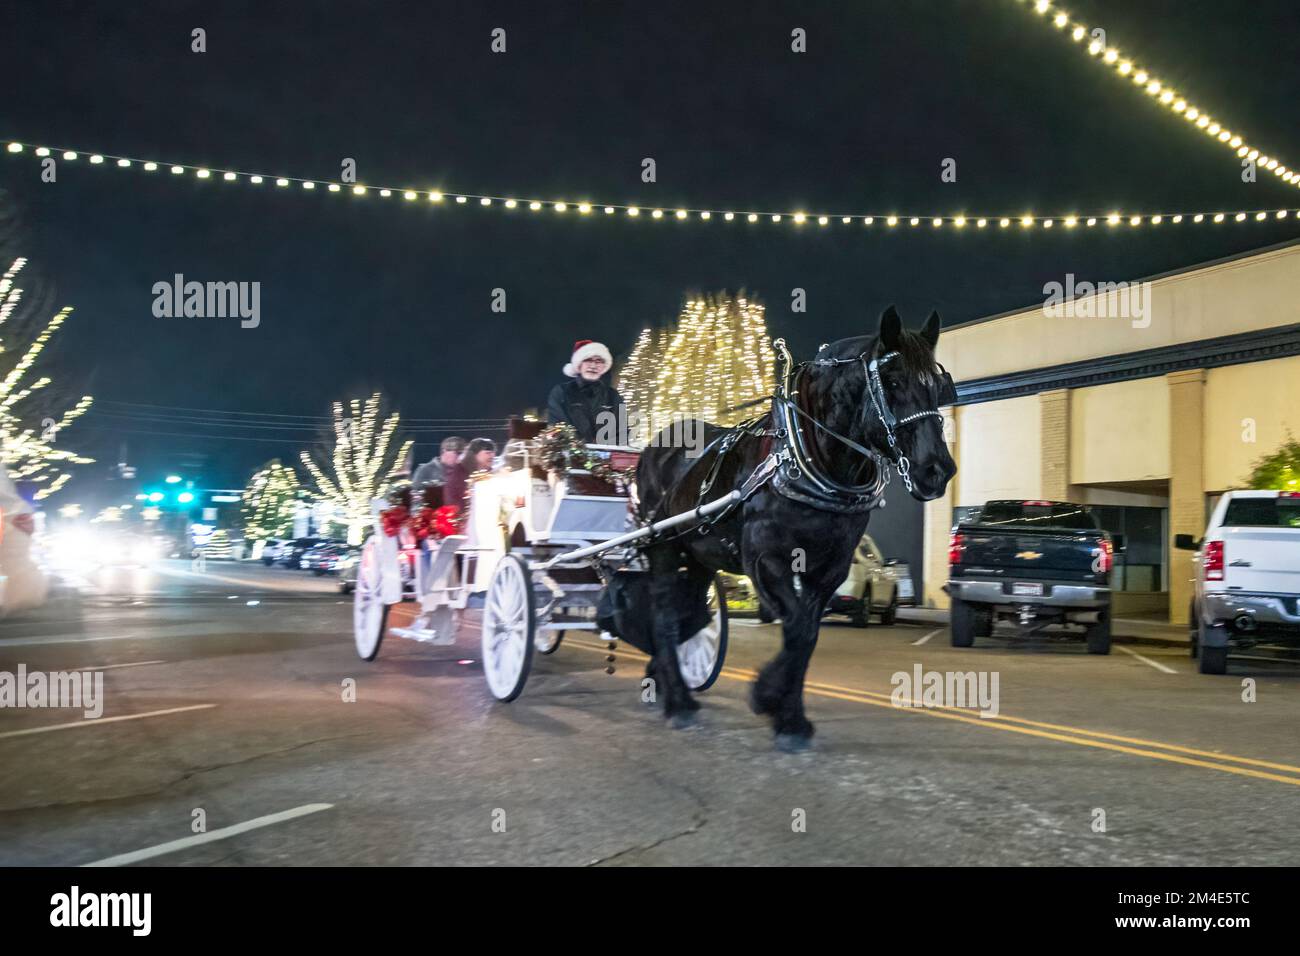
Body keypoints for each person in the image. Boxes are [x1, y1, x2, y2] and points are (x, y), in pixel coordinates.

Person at [546, 339, 626, 444]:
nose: (593, 366)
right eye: (588, 360)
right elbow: (557, 428)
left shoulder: (613, 396)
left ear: (604, 367)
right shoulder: (561, 393)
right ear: (579, 364)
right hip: (571, 457)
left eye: (599, 361)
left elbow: (623, 433)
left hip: (607, 457)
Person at [443, 437, 497, 510]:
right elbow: (452, 499)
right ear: (474, 454)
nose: (492, 456)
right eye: (488, 453)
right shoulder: (460, 471)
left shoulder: (491, 473)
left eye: (493, 453)